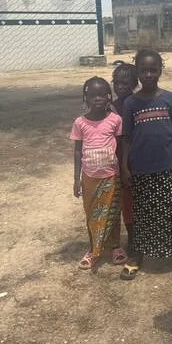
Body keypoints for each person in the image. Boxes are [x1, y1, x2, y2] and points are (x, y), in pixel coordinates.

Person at [120, 48, 172, 281]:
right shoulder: (131, 103)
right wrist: (124, 167)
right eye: (144, 70)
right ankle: (137, 255)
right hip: (140, 168)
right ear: (137, 72)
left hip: (166, 166)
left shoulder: (170, 98)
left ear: (161, 70)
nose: (149, 74)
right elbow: (126, 138)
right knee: (142, 214)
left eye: (153, 70)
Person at [70, 77, 127, 270]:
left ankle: (115, 246)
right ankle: (93, 249)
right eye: (93, 96)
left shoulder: (115, 120)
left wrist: (124, 170)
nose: (98, 99)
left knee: (113, 213)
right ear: (85, 98)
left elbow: (122, 147)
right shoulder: (80, 123)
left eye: (102, 95)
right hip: (89, 178)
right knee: (92, 214)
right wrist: (76, 179)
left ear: (109, 96)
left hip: (111, 176)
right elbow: (77, 151)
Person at [111, 61, 138, 254]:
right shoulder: (111, 108)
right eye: (117, 83)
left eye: (125, 83)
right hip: (117, 161)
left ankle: (140, 237)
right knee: (125, 202)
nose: (120, 87)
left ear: (134, 84)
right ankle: (131, 239)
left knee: (137, 201)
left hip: (137, 160)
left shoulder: (139, 103)